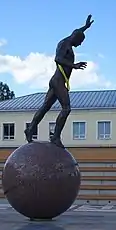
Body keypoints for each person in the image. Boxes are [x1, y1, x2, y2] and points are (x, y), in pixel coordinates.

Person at [25, 15, 94, 148]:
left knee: (45, 107)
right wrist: (74, 65)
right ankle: (55, 136)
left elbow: (77, 31)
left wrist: (85, 27)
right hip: (58, 81)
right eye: (80, 42)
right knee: (66, 108)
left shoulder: (71, 40)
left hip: (57, 81)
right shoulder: (64, 44)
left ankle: (30, 129)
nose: (80, 45)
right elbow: (57, 59)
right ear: (76, 38)